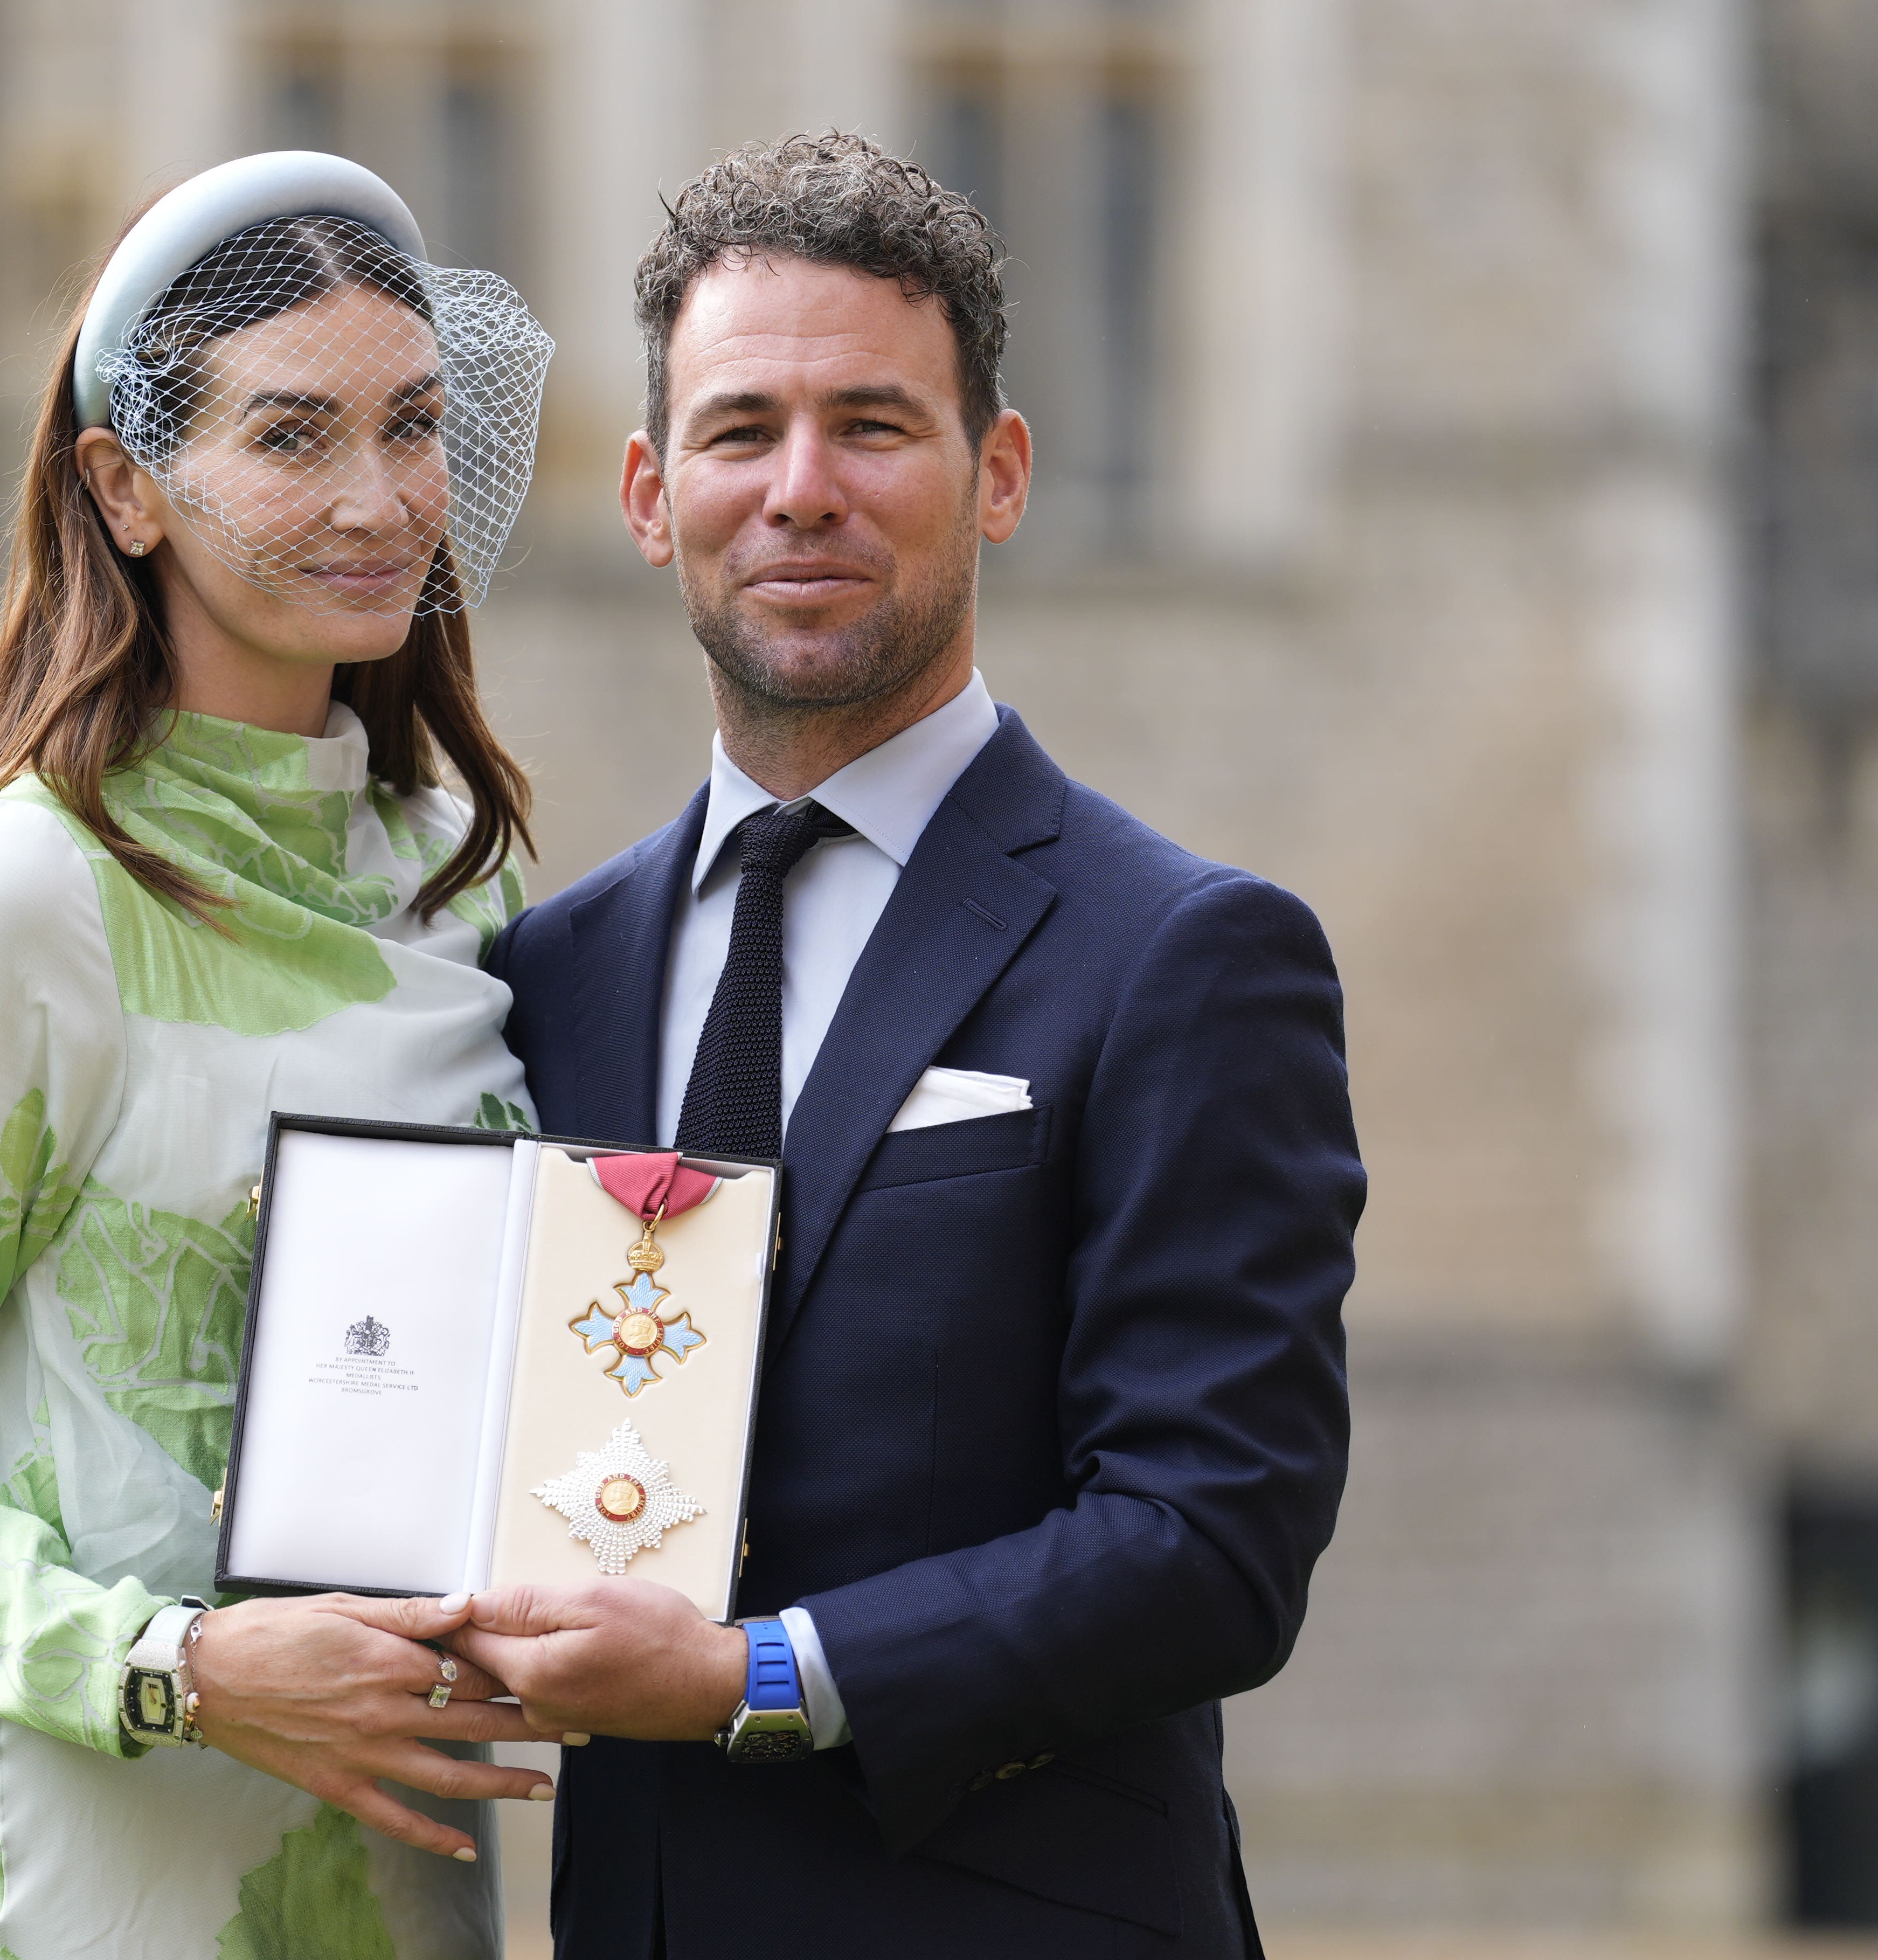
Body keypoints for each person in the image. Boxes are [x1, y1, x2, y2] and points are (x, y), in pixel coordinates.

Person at [459, 133, 1366, 1958]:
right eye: (739, 433)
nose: (801, 491)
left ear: (997, 472)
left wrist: (753, 1675)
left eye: (873, 426)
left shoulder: (1185, 953)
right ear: (650, 495)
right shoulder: (548, 975)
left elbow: (1213, 1544)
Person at [0, 152, 562, 1960]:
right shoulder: (7, 901)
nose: (377, 499)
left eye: (414, 425)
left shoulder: (459, 872)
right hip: (104, 1861)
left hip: (407, 1848)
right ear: (125, 487)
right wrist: (177, 1671)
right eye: (290, 438)